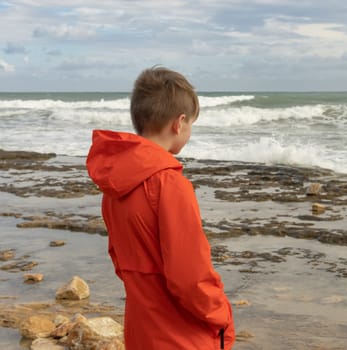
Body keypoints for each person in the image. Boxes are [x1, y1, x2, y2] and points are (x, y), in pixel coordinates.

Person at [86, 66, 235, 349]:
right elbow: (190, 276)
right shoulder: (169, 184)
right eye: (191, 123)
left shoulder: (115, 184)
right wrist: (222, 316)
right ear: (179, 123)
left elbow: (120, 260)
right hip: (181, 335)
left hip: (142, 328)